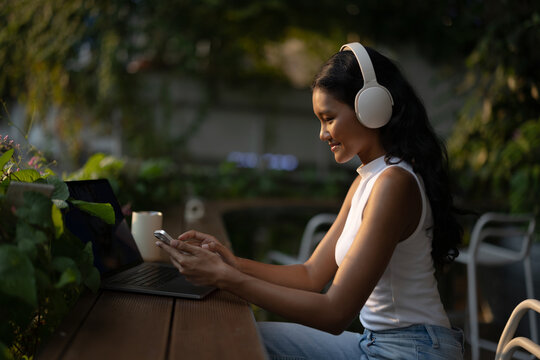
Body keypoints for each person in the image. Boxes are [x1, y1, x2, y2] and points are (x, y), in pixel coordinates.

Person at [156, 42, 465, 359]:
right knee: (240, 337)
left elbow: (335, 313)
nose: (322, 133)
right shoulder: (368, 180)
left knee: (239, 344)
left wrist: (227, 278)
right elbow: (311, 274)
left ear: (370, 108)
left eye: (329, 118)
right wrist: (231, 264)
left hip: (412, 351)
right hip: (375, 343)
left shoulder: (394, 185)